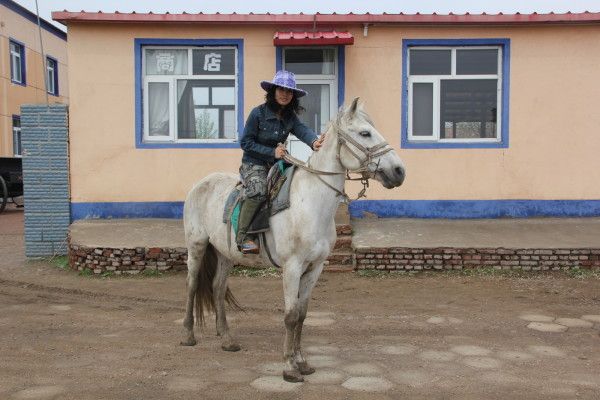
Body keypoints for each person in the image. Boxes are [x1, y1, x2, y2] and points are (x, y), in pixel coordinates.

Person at [237, 70, 325, 254]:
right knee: (259, 191)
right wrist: (272, 152)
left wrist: (314, 142)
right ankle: (243, 237)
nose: (285, 94)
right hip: (254, 163)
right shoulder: (257, 113)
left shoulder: (289, 117)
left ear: (293, 96)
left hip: (277, 165)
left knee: (299, 185)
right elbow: (245, 143)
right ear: (273, 91)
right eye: (281, 89)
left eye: (289, 91)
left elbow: (302, 130)